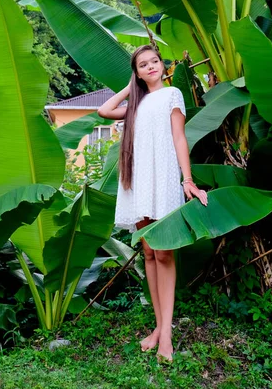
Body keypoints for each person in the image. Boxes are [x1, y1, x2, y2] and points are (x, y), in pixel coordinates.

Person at [98, 45, 208, 362]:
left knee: (164, 254)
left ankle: (166, 337)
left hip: (163, 177)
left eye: (154, 61)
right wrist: (131, 87)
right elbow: (104, 111)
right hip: (140, 179)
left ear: (163, 65)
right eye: (143, 65)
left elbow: (178, 138)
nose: (150, 67)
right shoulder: (138, 102)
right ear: (137, 72)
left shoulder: (172, 94)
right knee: (148, 251)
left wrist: (187, 180)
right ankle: (159, 328)